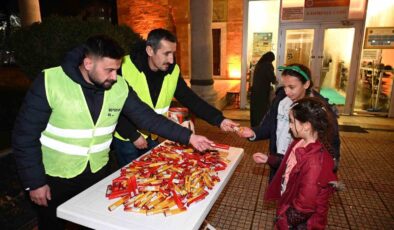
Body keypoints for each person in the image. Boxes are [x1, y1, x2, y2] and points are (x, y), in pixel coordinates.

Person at [12, 35, 213, 230]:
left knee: (92, 223)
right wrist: (34, 182)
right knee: (52, 225)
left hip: (96, 174)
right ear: (88, 63)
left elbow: (147, 117)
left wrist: (189, 137)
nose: (114, 77)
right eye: (109, 70)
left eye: (117, 70)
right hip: (54, 177)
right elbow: (24, 137)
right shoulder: (51, 80)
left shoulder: (118, 86)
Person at [113, 28, 238, 167]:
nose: (172, 60)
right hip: (126, 137)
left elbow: (191, 99)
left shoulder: (171, 70)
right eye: (166, 54)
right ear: (150, 51)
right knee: (128, 180)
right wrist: (132, 135)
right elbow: (113, 107)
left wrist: (219, 120)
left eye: (173, 53)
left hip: (154, 132)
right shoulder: (123, 67)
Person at [237, 64, 340, 181]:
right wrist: (253, 132)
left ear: (306, 84)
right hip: (278, 160)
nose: (287, 92)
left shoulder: (319, 109)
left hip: (304, 166)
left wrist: (330, 170)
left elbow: (332, 144)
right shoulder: (281, 100)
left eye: (292, 87)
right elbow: (270, 125)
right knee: (281, 192)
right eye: (285, 87)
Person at [263, 97, 340, 229]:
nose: (290, 126)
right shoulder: (299, 142)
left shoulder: (314, 162)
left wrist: (284, 221)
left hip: (302, 223)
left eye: (292, 122)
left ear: (306, 126)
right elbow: (291, 165)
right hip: (289, 201)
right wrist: (269, 159)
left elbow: (305, 206)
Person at [250, 51, 277, 126]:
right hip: (263, 91)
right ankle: (261, 125)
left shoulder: (259, 64)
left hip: (255, 90)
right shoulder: (268, 65)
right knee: (262, 109)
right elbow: (272, 78)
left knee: (255, 109)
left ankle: (254, 124)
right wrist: (276, 81)